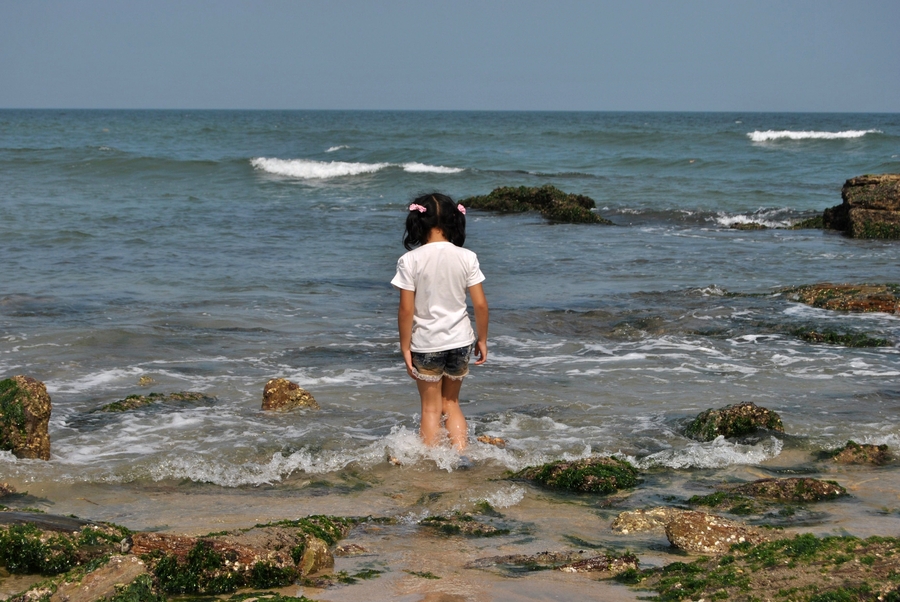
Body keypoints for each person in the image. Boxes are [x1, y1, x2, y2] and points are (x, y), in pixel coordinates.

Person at [391, 193, 489, 454]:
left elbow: (406, 309)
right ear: (453, 221)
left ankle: (433, 464)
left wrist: (404, 347)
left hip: (426, 343)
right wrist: (482, 338)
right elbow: (480, 304)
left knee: (431, 408)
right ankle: (460, 455)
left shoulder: (410, 260)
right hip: (460, 340)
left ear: (417, 222)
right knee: (452, 403)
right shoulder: (467, 257)